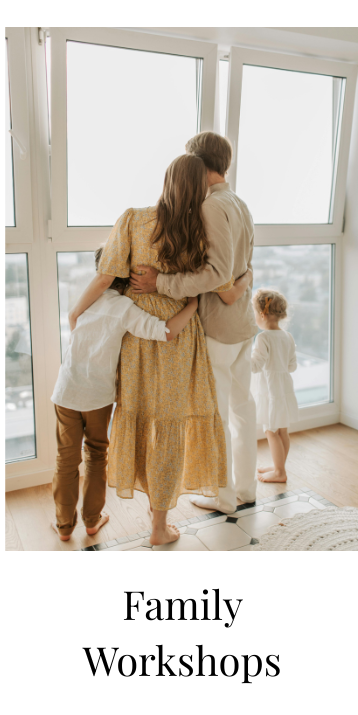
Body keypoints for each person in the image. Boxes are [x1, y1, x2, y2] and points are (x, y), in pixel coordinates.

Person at [78, 154, 249, 545]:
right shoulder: (199, 229)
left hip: (138, 335)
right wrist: (240, 279)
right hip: (179, 334)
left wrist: (76, 312)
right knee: (170, 426)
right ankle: (159, 527)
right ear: (200, 187)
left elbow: (106, 274)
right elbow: (218, 281)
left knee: (139, 417)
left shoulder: (133, 219)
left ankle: (146, 517)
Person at [130, 132, 257, 515]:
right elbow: (242, 265)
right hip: (242, 324)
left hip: (219, 329)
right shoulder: (239, 202)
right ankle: (245, 490)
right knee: (242, 409)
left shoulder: (212, 207)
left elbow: (214, 273)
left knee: (216, 416)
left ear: (201, 165)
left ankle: (223, 497)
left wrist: (160, 282)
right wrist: (241, 284)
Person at [50, 249, 201, 541]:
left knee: (65, 460)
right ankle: (92, 521)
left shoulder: (85, 300)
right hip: (97, 396)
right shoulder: (124, 308)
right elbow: (166, 332)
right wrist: (192, 306)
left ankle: (64, 527)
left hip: (66, 389)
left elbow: (73, 326)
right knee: (95, 455)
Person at [250, 288, 298, 484]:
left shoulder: (263, 338)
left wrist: (243, 354)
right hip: (284, 389)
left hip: (270, 391)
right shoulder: (287, 336)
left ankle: (279, 473)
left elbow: (255, 366)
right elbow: (292, 366)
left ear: (262, 314)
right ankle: (280, 466)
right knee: (282, 431)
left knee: (270, 431)